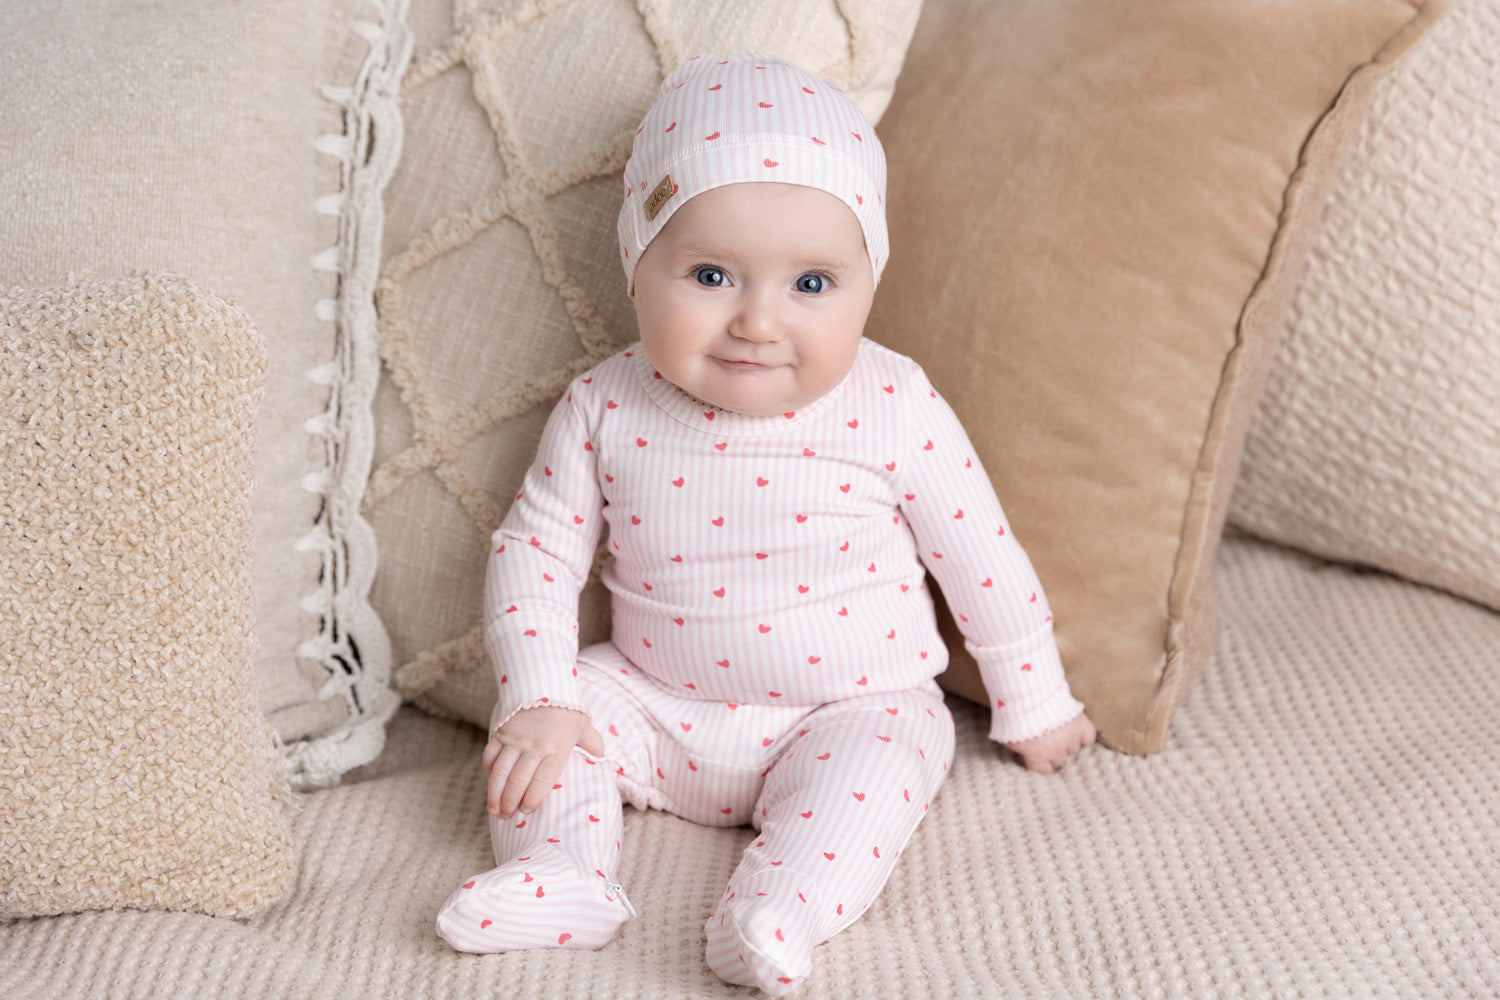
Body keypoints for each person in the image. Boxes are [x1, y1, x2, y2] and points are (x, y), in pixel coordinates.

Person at [436, 53, 1096, 994]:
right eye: (710, 273)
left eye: (812, 286)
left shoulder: (893, 402)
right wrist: (541, 694)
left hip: (849, 705)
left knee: (894, 755)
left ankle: (778, 907)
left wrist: (1034, 699)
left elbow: (979, 555)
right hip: (657, 699)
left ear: (870, 282)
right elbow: (536, 550)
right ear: (637, 265)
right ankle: (561, 872)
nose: (757, 321)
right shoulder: (604, 405)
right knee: (556, 722)